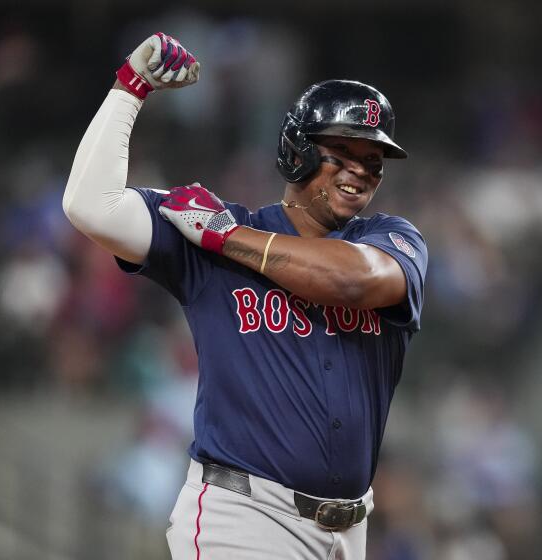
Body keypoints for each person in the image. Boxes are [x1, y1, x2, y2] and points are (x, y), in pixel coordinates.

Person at [63, 32, 427, 560]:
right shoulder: (212, 234)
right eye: (343, 152)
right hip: (245, 520)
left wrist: (225, 237)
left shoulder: (390, 238)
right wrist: (129, 89)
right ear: (297, 150)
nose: (360, 171)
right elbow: (89, 206)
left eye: (374, 160)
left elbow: (355, 281)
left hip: (351, 532)